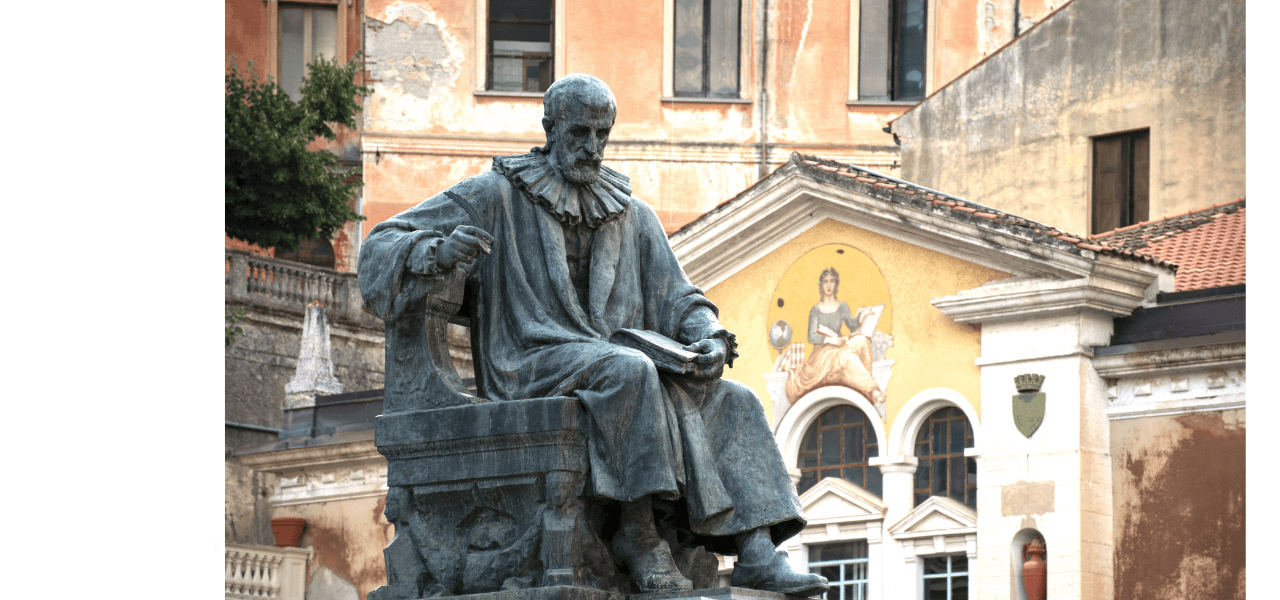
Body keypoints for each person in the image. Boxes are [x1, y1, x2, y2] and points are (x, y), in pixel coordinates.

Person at [358, 74, 827, 596]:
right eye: (580, 133)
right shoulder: (495, 195)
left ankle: (757, 551)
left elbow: (680, 296)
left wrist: (709, 337)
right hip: (531, 358)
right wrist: (437, 253)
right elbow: (381, 245)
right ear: (550, 128)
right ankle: (639, 534)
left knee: (732, 398)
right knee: (627, 370)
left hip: (616, 360)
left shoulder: (631, 213)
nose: (592, 147)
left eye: (602, 134)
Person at [784, 268, 886, 409]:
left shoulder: (842, 306)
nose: (829, 285)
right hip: (823, 353)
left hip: (840, 344)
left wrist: (862, 316)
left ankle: (866, 376)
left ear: (836, 284)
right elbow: (812, 336)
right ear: (821, 285)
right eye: (825, 281)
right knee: (847, 355)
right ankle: (872, 389)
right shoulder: (816, 310)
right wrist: (832, 341)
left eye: (832, 281)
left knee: (862, 340)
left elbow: (852, 325)